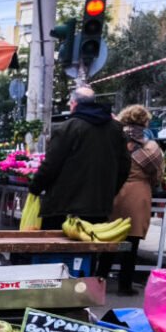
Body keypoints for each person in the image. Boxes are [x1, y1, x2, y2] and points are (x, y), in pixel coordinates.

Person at [29, 87, 130, 230]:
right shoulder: (115, 129)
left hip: (63, 209)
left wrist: (35, 188)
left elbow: (51, 165)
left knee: (57, 249)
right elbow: (124, 167)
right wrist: (108, 193)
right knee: (89, 248)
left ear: (74, 104)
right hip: (98, 209)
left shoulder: (68, 127)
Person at [95, 105, 164, 296]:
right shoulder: (150, 147)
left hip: (115, 192)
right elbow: (157, 174)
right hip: (138, 194)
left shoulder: (115, 142)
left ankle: (99, 279)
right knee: (131, 244)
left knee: (111, 238)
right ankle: (125, 286)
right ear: (145, 123)